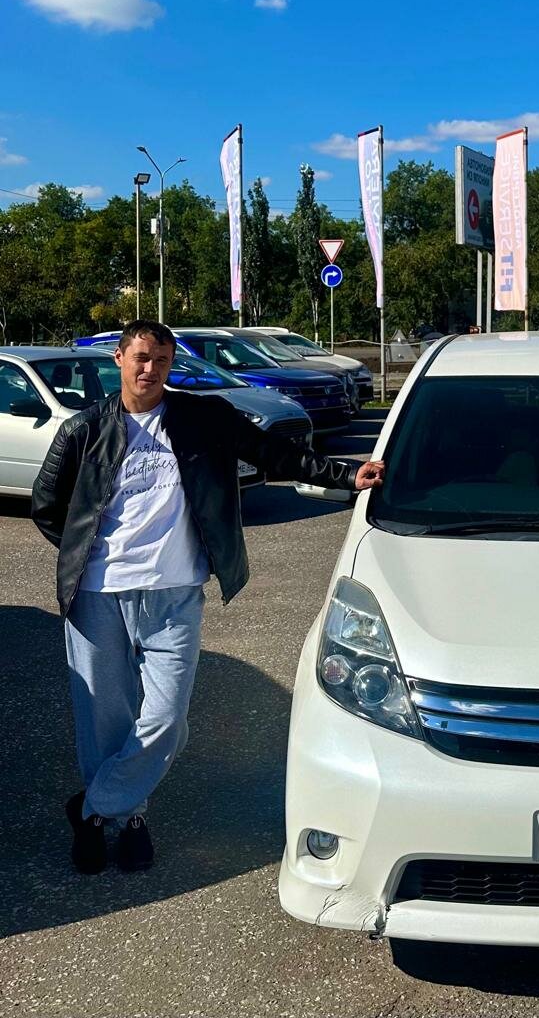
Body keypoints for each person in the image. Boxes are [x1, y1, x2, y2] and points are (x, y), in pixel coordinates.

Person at [32, 320, 385, 876]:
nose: (150, 370)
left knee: (167, 719)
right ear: (119, 359)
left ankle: (93, 808)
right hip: (98, 593)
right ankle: (127, 819)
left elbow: (273, 453)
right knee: (104, 720)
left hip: (175, 595)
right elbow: (48, 506)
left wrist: (344, 473)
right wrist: (90, 554)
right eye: (141, 358)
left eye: (161, 360)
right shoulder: (84, 429)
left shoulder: (203, 417)